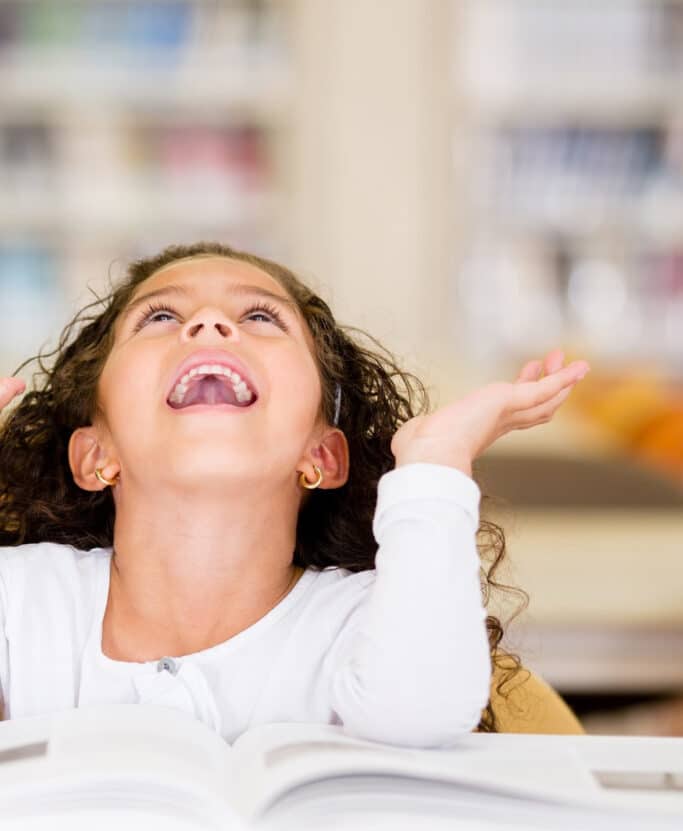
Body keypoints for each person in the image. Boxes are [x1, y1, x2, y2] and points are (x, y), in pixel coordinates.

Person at [0, 242, 589, 745]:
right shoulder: (23, 599)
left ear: (323, 456)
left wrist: (433, 463)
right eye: (158, 317)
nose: (209, 324)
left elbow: (422, 715)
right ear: (94, 455)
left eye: (260, 317)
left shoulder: (364, 617)